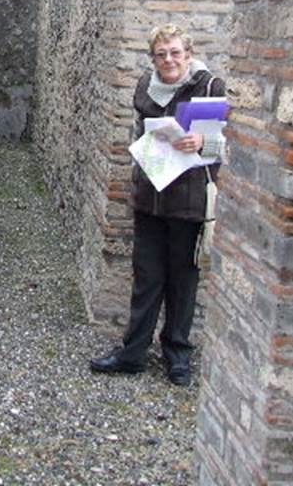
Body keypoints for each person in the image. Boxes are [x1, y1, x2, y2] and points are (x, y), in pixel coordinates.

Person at [90, 24, 225, 386]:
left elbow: (222, 147)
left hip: (189, 201)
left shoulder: (209, 87)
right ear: (152, 58)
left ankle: (177, 355)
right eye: (161, 54)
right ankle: (133, 352)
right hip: (150, 197)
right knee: (146, 277)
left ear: (188, 54)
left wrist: (202, 142)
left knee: (183, 280)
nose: (169, 60)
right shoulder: (144, 87)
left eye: (175, 52)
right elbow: (139, 134)